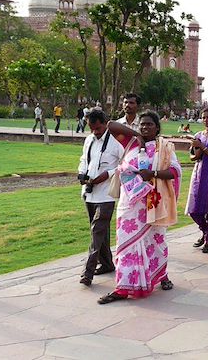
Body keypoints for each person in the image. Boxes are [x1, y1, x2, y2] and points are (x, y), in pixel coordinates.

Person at [98, 111, 181, 304]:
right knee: (125, 245)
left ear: (157, 128)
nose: (145, 128)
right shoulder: (131, 143)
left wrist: (151, 173)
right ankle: (122, 287)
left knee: (156, 243)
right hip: (129, 204)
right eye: (142, 125)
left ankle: (161, 275)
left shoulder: (165, 147)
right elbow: (110, 125)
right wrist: (136, 136)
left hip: (152, 204)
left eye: (149, 125)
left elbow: (174, 171)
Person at [77, 110, 124, 286]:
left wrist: (108, 174)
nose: (95, 132)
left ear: (105, 123)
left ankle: (87, 272)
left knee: (96, 231)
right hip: (89, 192)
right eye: (91, 128)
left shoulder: (116, 144)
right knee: (100, 232)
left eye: (97, 128)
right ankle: (107, 264)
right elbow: (84, 159)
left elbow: (124, 166)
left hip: (106, 194)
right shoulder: (89, 139)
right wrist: (81, 173)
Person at [187, 107, 208, 253]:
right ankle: (205, 231)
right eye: (203, 117)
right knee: (194, 209)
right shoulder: (198, 135)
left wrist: (201, 146)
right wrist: (197, 150)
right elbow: (192, 157)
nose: (206, 120)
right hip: (198, 173)